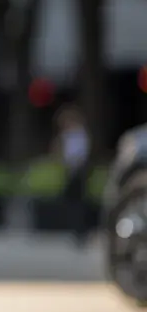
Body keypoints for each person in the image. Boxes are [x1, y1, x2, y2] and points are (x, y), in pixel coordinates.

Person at [55, 104, 91, 246]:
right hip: (71, 171)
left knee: (77, 203)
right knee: (71, 201)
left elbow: (79, 154)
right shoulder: (68, 135)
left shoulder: (79, 134)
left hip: (78, 171)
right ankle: (76, 230)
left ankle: (81, 231)